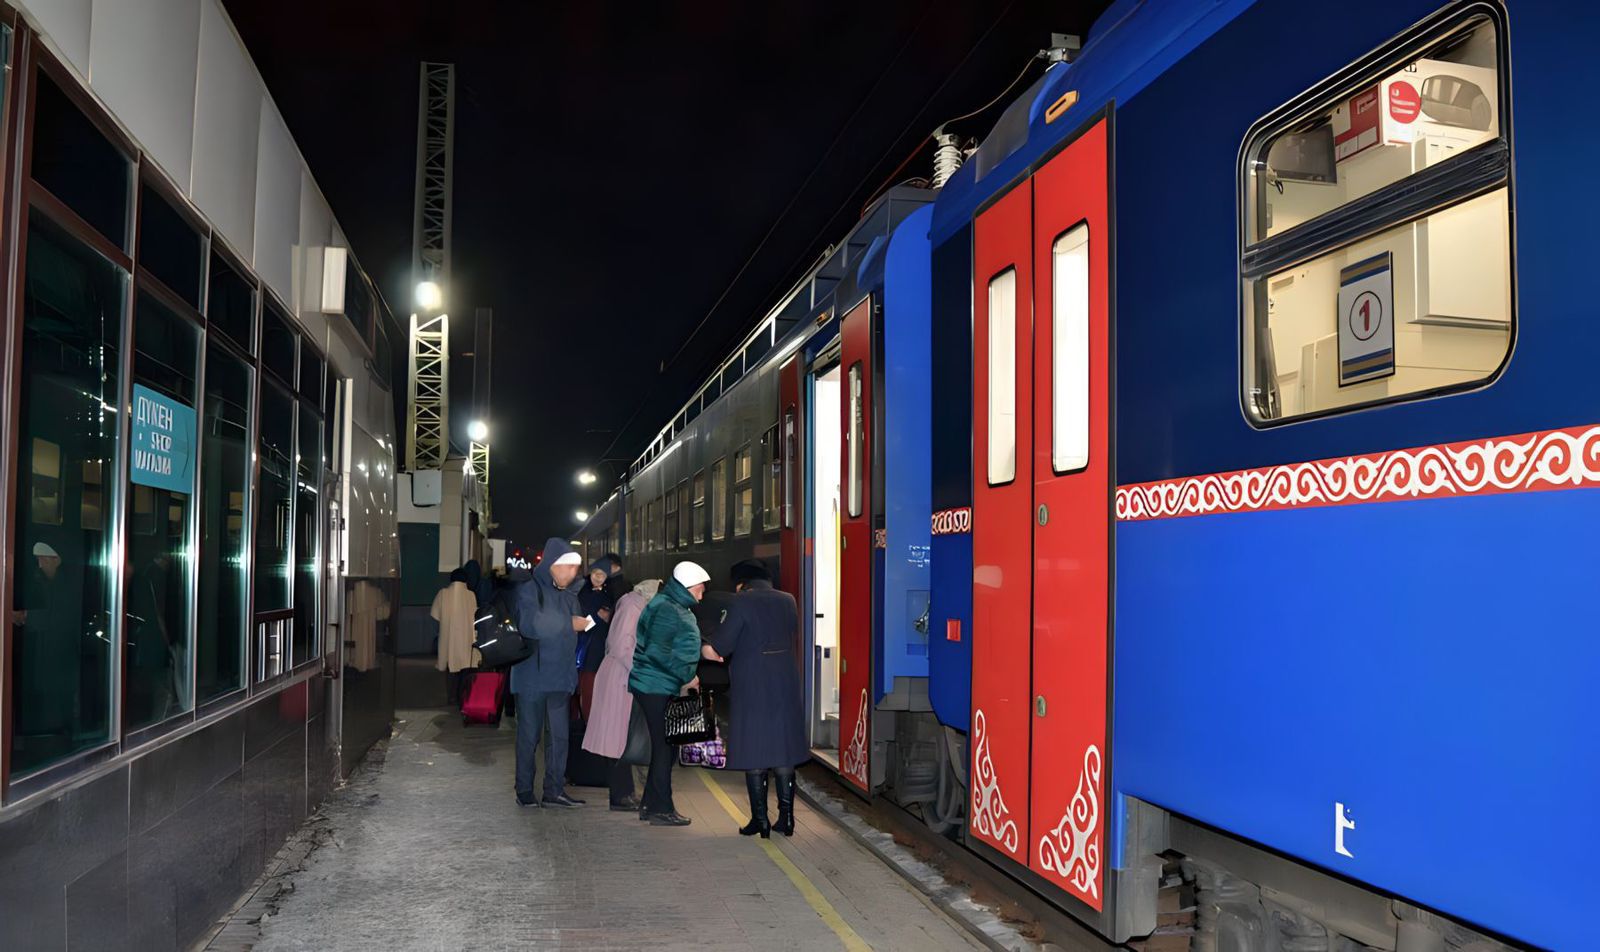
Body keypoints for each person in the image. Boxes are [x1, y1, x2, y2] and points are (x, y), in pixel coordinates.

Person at [703, 558, 807, 837]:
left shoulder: (741, 603)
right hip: (784, 679)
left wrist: (705, 649)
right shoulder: (788, 600)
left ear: (741, 584)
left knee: (754, 747)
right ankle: (786, 820)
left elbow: (722, 645)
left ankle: (760, 820)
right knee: (782, 749)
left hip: (753, 682)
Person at [510, 538, 592, 808]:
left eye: (575, 569)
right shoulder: (529, 589)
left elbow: (573, 635)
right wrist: (569, 623)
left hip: (560, 678)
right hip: (532, 679)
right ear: (552, 565)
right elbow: (530, 625)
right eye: (567, 567)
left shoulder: (570, 595)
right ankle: (524, 789)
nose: (572, 573)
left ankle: (554, 791)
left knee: (559, 737)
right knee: (529, 736)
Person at [629, 561, 708, 826]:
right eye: (700, 588)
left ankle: (650, 805)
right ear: (688, 587)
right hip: (655, 685)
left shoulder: (670, 604)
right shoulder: (667, 608)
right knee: (664, 749)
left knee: (664, 748)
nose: (702, 593)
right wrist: (686, 676)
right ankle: (661, 809)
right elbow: (657, 651)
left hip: (656, 684)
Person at [579, 577, 660, 810]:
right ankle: (621, 796)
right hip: (620, 678)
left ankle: (624, 793)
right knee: (618, 737)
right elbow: (621, 646)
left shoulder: (632, 605)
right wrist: (641, 672)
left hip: (622, 675)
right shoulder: (632, 607)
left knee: (621, 736)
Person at [431, 564, 480, 697]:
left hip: (449, 637)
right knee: (465, 666)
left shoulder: (443, 593)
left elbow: (435, 614)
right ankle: (463, 695)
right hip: (466, 638)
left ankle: (451, 696)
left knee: (450, 666)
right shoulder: (471, 595)